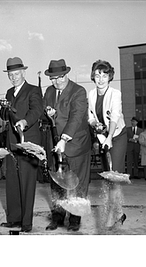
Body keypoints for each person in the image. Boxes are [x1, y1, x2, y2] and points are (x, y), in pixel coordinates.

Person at [44, 59, 91, 232]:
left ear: (66, 74)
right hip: (55, 145)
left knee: (78, 184)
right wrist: (48, 114)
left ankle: (75, 220)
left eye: (60, 77)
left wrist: (64, 139)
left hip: (76, 144)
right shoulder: (49, 91)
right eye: (53, 78)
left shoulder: (78, 91)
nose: (57, 81)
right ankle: (57, 217)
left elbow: (77, 117)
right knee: (57, 183)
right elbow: (44, 113)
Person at [0, 57, 43, 233]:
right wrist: (3, 108)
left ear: (23, 73)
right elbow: (4, 117)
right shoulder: (9, 93)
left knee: (26, 181)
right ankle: (14, 219)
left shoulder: (33, 90)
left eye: (16, 74)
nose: (13, 77)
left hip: (28, 141)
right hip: (12, 142)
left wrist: (25, 121)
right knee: (12, 181)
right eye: (10, 74)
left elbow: (37, 110)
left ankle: (26, 222)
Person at [88, 59, 127, 228]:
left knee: (114, 176)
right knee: (108, 175)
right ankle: (119, 213)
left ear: (110, 76)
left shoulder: (115, 93)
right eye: (97, 75)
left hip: (117, 136)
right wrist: (94, 125)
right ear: (93, 76)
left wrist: (110, 136)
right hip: (103, 137)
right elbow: (90, 116)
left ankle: (113, 215)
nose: (101, 78)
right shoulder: (91, 94)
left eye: (104, 75)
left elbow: (115, 116)